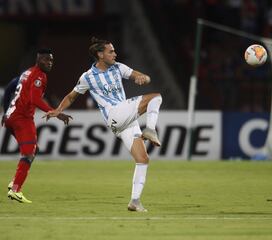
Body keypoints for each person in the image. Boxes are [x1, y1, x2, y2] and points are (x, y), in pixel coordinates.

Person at [44, 37, 163, 212]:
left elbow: (136, 75)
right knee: (156, 97)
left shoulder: (118, 67)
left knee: (142, 159)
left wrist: (143, 78)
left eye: (114, 51)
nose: (115, 54)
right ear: (100, 55)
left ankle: (135, 201)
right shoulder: (88, 77)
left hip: (123, 121)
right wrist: (58, 109)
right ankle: (151, 129)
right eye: (111, 51)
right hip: (115, 114)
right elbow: (71, 96)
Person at [1, 49, 72, 203]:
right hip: (22, 119)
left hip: (11, 118)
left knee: (34, 149)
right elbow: (35, 99)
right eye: (46, 60)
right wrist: (56, 113)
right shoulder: (39, 76)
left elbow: (9, 88)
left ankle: (15, 182)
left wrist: (5, 111)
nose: (49, 63)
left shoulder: (26, 73)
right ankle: (15, 190)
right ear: (38, 60)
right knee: (28, 154)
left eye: (51, 60)